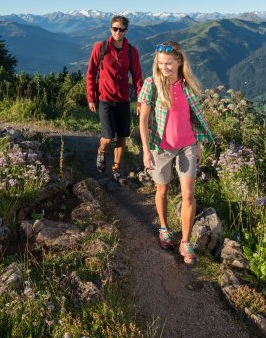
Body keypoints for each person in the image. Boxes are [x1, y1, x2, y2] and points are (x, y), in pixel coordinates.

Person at [138, 41, 213, 265]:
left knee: (188, 194)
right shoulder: (151, 84)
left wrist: (198, 144)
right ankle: (164, 228)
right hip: (161, 146)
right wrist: (146, 150)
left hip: (187, 145)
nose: (165, 67)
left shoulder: (186, 86)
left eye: (169, 63)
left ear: (179, 62)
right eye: (161, 63)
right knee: (162, 189)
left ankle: (186, 241)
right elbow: (142, 119)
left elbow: (194, 118)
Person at [86, 15, 143, 179]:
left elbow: (138, 77)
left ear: (126, 30)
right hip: (105, 99)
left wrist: (140, 101)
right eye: (115, 29)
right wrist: (91, 97)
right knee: (108, 137)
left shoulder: (131, 52)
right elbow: (90, 73)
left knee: (122, 137)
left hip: (124, 100)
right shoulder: (101, 47)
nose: (118, 32)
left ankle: (116, 169)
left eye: (122, 29)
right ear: (111, 29)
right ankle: (101, 151)